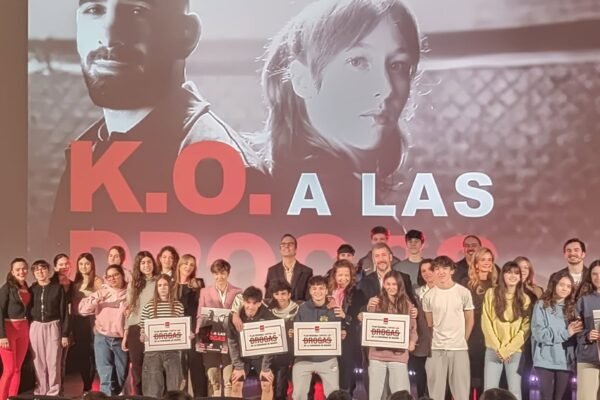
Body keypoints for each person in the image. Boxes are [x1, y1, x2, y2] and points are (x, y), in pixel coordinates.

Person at [48, 0, 268, 255]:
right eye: (94, 10)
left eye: (136, 11)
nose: (108, 36)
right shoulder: (86, 152)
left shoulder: (224, 169)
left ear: (185, 34)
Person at [261, 0, 421, 221]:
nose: (386, 88)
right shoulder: (349, 213)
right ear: (302, 80)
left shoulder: (288, 188)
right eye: (357, 61)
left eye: (397, 65)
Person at [422, 255, 474, 400]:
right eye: (437, 269)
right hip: (436, 349)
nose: (441, 272)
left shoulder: (463, 292)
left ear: (452, 270)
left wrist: (462, 340)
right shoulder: (428, 296)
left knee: (461, 392)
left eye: (445, 268)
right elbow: (429, 324)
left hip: (459, 348)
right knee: (435, 393)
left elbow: (470, 319)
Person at [481, 262, 531, 400]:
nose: (512, 276)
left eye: (516, 273)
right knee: (489, 390)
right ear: (503, 275)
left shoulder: (525, 299)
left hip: (515, 351)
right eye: (509, 272)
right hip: (493, 349)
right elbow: (486, 322)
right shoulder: (491, 293)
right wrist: (499, 348)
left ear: (520, 277)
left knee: (515, 391)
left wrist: (508, 349)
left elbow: (525, 329)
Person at [366, 270, 418, 399]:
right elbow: (369, 325)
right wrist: (367, 309)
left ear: (399, 285)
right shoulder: (376, 302)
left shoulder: (407, 304)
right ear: (383, 285)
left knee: (401, 394)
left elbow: (413, 329)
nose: (391, 287)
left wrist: (412, 342)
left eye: (394, 284)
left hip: (398, 355)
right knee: (376, 395)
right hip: (377, 355)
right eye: (388, 284)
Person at [531, 270, 582, 400]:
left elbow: (577, 334)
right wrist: (566, 333)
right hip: (544, 361)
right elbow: (539, 334)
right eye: (561, 284)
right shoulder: (541, 305)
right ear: (554, 285)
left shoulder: (573, 308)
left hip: (565, 362)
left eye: (568, 286)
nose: (565, 289)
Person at [79, 264, 129, 396]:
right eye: (109, 276)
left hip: (121, 339)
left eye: (115, 275)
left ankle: (116, 395)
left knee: (121, 375)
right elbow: (82, 311)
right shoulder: (101, 292)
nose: (112, 278)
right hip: (102, 339)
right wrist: (96, 300)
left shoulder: (130, 293)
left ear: (122, 275)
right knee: (105, 375)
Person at [196, 259, 242, 397]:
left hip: (229, 338)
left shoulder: (238, 291)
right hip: (210, 337)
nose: (219, 277)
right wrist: (199, 337)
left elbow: (239, 315)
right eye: (216, 274)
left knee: (228, 380)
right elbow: (200, 315)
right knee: (213, 379)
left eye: (222, 273)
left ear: (228, 273)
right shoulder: (204, 291)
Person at [291, 276, 342, 399]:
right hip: (304, 359)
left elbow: (340, 330)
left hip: (327, 359)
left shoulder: (334, 309)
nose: (317, 291)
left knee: (334, 395)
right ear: (310, 291)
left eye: (321, 288)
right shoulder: (302, 308)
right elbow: (296, 331)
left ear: (326, 290)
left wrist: (343, 332)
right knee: (298, 394)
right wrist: (293, 333)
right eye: (314, 288)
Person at [140, 274, 189, 398]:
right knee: (152, 390)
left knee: (175, 389)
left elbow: (181, 328)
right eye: (160, 285)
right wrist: (143, 337)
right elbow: (142, 330)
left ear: (170, 287)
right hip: (153, 353)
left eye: (165, 285)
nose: (162, 288)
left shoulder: (178, 306)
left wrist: (187, 335)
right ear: (156, 288)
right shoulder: (148, 306)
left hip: (172, 352)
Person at [28, 259, 70, 396]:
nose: (40, 272)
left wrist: (65, 334)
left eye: (43, 268)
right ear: (33, 273)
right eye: (37, 270)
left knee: (53, 361)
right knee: (38, 360)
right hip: (36, 326)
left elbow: (64, 312)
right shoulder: (32, 289)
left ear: (48, 270)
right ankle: (41, 390)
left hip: (53, 326)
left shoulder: (57, 288)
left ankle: (53, 391)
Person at [227, 286, 276, 399]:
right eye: (248, 302)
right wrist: (238, 366)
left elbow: (271, 345)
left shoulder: (269, 317)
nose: (251, 306)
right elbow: (232, 343)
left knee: (267, 384)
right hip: (242, 358)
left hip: (261, 358)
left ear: (260, 303)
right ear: (243, 302)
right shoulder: (233, 318)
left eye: (255, 303)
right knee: (236, 384)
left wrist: (265, 368)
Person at [463, 247, 498, 399]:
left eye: (489, 260)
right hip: (473, 333)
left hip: (491, 335)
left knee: (487, 378)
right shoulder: (466, 284)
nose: (487, 263)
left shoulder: (496, 286)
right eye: (483, 259)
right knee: (471, 377)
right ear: (476, 264)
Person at [123, 251, 160, 395]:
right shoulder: (134, 284)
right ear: (138, 265)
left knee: (154, 368)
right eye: (143, 263)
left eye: (149, 262)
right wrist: (126, 334)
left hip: (154, 328)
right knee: (137, 367)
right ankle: (138, 396)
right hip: (135, 328)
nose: (146, 265)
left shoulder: (159, 282)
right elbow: (130, 309)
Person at [328, 259, 367, 395]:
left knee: (346, 372)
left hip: (348, 340)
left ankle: (347, 394)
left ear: (351, 277)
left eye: (346, 275)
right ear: (334, 275)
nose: (343, 278)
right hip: (328, 338)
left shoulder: (358, 294)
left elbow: (359, 319)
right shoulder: (327, 292)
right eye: (340, 275)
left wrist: (345, 316)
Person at [70, 253, 103, 395]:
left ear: (92, 265)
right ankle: (86, 386)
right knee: (82, 354)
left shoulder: (97, 281)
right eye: (81, 264)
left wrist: (97, 322)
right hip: (78, 322)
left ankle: (96, 387)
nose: (84, 267)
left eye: (87, 264)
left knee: (95, 352)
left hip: (93, 320)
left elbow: (101, 302)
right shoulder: (75, 284)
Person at [174, 254, 206, 396]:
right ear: (179, 265)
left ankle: (200, 397)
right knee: (179, 370)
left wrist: (196, 330)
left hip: (194, 330)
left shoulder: (198, 284)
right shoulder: (170, 285)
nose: (188, 267)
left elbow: (202, 309)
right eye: (185, 264)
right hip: (175, 331)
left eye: (192, 265)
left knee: (197, 367)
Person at [0, 258, 31, 400]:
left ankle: (13, 398)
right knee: (9, 369)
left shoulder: (26, 287)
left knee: (18, 369)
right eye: (17, 269)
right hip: (9, 330)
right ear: (12, 272)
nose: (21, 271)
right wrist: (2, 336)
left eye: (24, 268)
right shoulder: (6, 288)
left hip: (23, 329)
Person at [513, 255, 543, 400]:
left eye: (526, 267)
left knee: (524, 378)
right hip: (510, 339)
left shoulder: (537, 291)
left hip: (529, 340)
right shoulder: (506, 289)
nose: (523, 270)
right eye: (520, 267)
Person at [267, 280, 299, 400]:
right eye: (277, 294)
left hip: (290, 355)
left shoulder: (299, 310)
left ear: (289, 294)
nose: (280, 297)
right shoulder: (268, 310)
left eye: (283, 294)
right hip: (271, 354)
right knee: (269, 386)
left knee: (282, 387)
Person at [574, 259, 600, 400]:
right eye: (594, 274)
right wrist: (588, 335)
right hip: (589, 359)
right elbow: (576, 331)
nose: (598, 277)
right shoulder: (584, 300)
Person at [410, 259, 435, 398]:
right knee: (421, 378)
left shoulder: (446, 291)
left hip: (441, 342)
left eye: (430, 269)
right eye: (423, 271)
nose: (427, 273)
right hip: (422, 342)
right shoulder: (417, 293)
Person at [265, 234, 313, 301]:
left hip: (299, 307)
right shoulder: (272, 271)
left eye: (290, 244)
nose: (286, 246)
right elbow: (268, 297)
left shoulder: (306, 271)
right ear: (280, 249)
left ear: (295, 249)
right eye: (283, 244)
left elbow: (308, 299)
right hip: (277, 307)